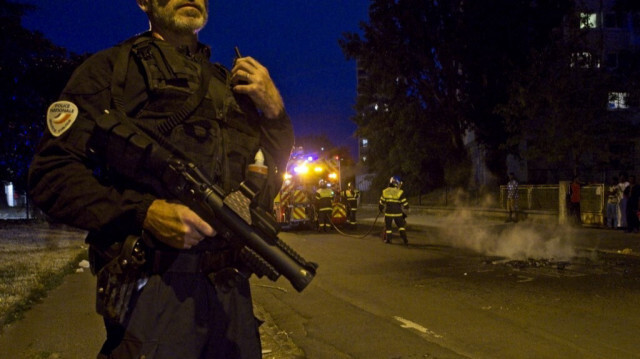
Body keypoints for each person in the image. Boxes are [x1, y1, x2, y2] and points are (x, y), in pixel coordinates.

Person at [27, 0, 294, 358]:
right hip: (153, 292)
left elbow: (268, 179)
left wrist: (275, 112)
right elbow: (50, 175)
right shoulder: (109, 71)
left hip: (230, 297)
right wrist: (144, 212)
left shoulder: (228, 85)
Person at [379, 176, 409, 244]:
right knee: (401, 227)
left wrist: (380, 208)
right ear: (396, 183)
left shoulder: (385, 191)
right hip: (398, 213)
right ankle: (405, 239)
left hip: (388, 213)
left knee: (388, 227)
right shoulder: (400, 192)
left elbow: (381, 203)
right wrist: (406, 209)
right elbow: (406, 204)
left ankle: (389, 240)